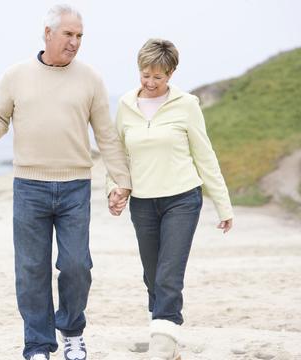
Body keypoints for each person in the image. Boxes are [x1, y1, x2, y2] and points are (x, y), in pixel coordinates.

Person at [0, 4, 131, 360]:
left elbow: (106, 135)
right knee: (31, 269)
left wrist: (121, 181)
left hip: (75, 187)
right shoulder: (15, 75)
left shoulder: (91, 78)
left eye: (79, 36)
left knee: (76, 266)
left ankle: (71, 331)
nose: (74, 43)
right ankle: (38, 345)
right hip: (29, 186)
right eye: (68, 35)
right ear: (48, 34)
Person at [107, 38, 234, 360]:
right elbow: (117, 153)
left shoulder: (187, 104)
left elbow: (204, 156)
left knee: (168, 274)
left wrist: (223, 203)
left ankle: (161, 346)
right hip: (143, 202)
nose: (150, 83)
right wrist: (115, 187)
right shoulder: (125, 105)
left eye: (158, 77)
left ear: (172, 73)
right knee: (152, 275)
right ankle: (169, 340)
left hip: (182, 199)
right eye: (144, 75)